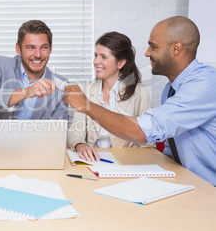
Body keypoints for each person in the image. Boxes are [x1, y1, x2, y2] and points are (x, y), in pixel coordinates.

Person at [64, 16, 216, 185]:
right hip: (187, 180)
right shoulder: (171, 89)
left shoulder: (205, 85)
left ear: (176, 48)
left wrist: (87, 106)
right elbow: (170, 146)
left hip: (208, 186)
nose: (147, 53)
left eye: (153, 46)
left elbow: (144, 133)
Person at [68, 32, 154, 161]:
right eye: (96, 55)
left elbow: (148, 141)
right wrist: (80, 145)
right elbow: (76, 130)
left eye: (103, 57)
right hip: (93, 161)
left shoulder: (140, 92)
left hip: (126, 162)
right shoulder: (85, 91)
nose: (96, 61)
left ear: (120, 63)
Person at [0, 20, 68, 120]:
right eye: (31, 47)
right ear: (18, 48)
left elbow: (59, 131)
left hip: (37, 136)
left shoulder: (60, 85)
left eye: (44, 47)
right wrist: (27, 92)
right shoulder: (0, 65)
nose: (38, 55)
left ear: (50, 49)